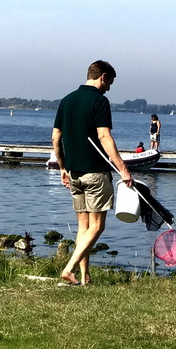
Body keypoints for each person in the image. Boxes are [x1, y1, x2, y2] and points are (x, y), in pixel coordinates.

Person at [51, 60, 133, 286]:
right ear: (103, 76)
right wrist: (123, 169)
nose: (109, 88)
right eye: (110, 83)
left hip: (74, 173)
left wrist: (62, 167)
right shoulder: (100, 101)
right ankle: (69, 269)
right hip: (95, 173)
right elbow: (104, 137)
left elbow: (55, 138)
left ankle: (85, 277)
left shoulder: (66, 101)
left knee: (84, 227)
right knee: (97, 227)